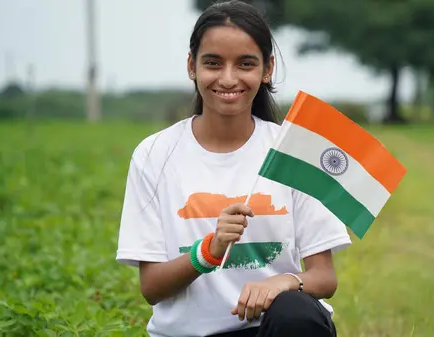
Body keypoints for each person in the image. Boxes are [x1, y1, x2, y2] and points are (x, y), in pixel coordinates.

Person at [115, 1, 352, 336]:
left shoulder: (294, 152)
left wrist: (285, 282)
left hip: (270, 328)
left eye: (245, 64)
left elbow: (324, 278)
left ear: (266, 69)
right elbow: (151, 287)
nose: (228, 79)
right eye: (213, 63)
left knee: (296, 313)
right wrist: (208, 251)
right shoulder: (155, 154)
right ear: (191, 66)